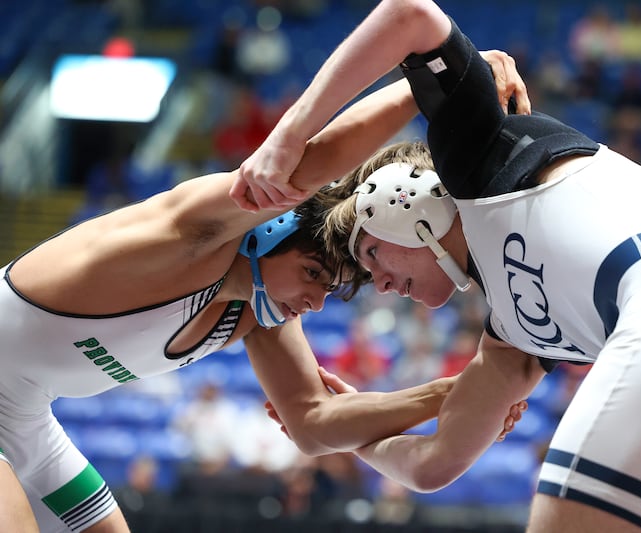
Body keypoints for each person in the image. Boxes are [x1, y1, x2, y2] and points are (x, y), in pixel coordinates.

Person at [232, 1, 641, 531]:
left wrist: (287, 138)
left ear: (405, 200)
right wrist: (360, 424)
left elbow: (409, 13)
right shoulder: (514, 335)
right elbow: (431, 465)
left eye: (371, 252)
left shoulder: (476, 163)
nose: (380, 283)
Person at [0, 46, 527, 532]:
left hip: (26, 422)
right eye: (313, 274)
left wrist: (453, 394)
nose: (314, 303)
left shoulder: (255, 312)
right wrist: (440, 78)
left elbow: (313, 425)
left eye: (330, 291)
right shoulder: (190, 234)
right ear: (270, 228)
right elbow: (314, 163)